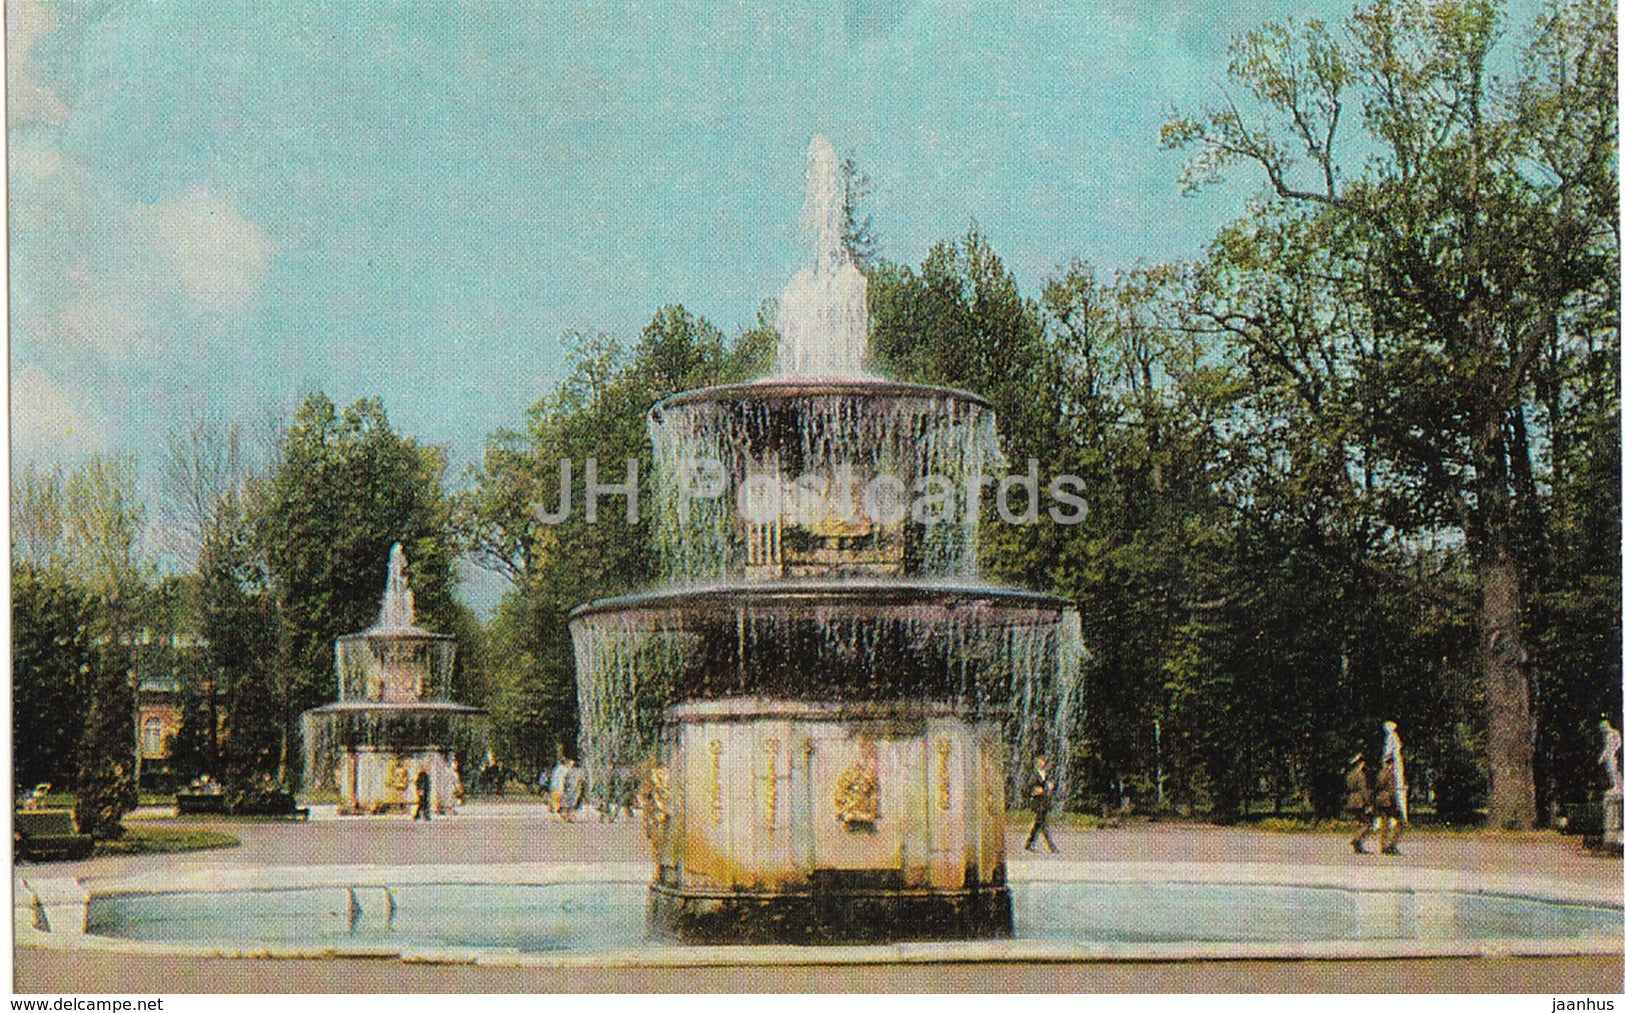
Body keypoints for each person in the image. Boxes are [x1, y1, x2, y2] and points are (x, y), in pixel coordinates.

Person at [1024, 754, 1058, 853]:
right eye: (1039, 761)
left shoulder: (1046, 774)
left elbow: (1052, 784)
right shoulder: (1033, 774)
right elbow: (1029, 786)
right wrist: (1035, 790)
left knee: (1040, 823)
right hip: (1038, 801)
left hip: (1045, 801)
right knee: (1042, 823)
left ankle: (1030, 844)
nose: (1040, 763)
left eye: (1042, 761)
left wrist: (1052, 786)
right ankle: (1052, 846)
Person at [1344, 753, 1376, 853]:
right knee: (1368, 823)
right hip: (1359, 801)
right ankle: (1356, 839)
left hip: (1351, 800)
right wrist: (1369, 804)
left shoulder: (1350, 774)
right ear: (1360, 763)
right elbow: (1363, 790)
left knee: (1358, 822)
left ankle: (1358, 845)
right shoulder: (1361, 775)